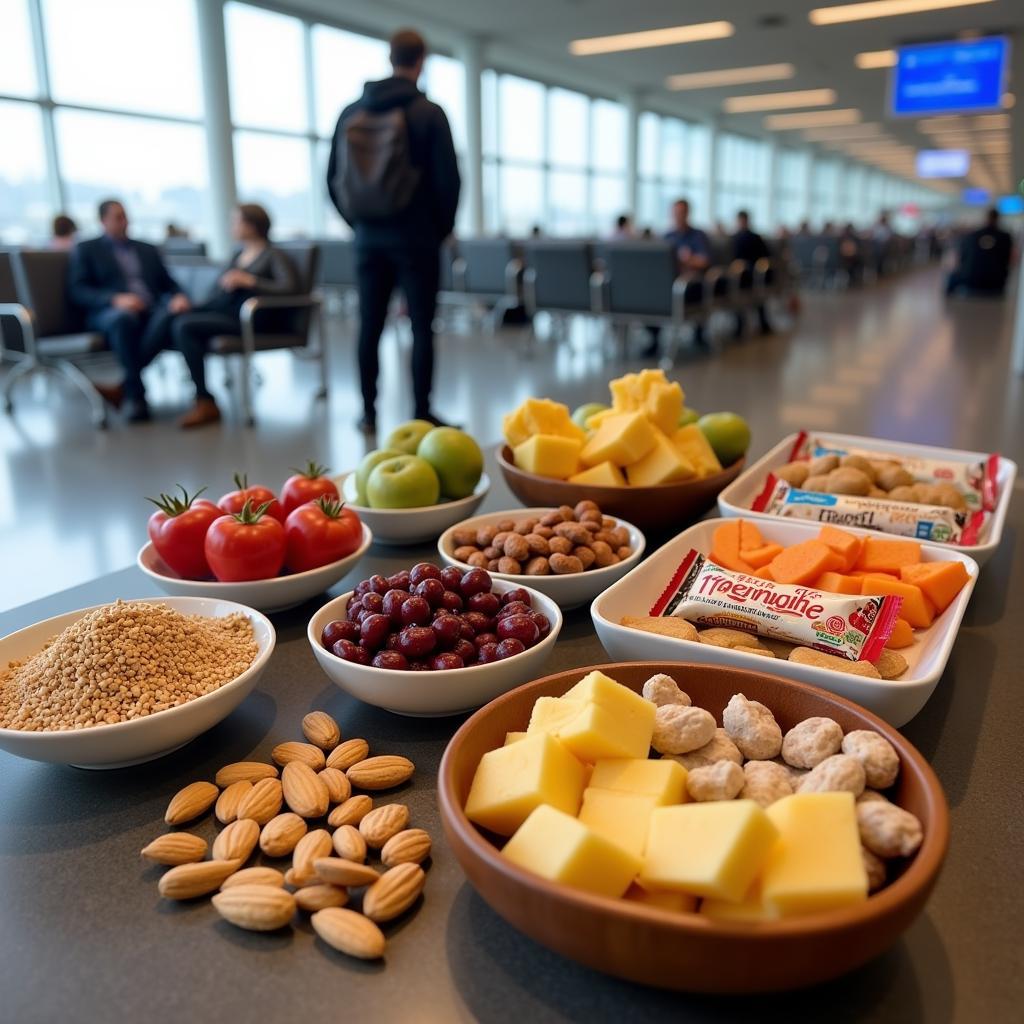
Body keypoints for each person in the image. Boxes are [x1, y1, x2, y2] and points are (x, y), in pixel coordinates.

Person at [327, 27, 461, 433]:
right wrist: (437, 230)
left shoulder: (352, 112)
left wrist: (360, 224)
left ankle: (368, 412)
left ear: (390, 58)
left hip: (367, 237)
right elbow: (449, 182)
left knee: (370, 324)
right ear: (422, 60)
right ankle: (421, 411)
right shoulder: (429, 113)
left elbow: (331, 180)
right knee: (422, 325)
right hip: (417, 237)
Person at [170, 203, 298, 429]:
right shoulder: (238, 253)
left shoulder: (273, 254)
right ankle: (133, 384)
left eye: (236, 221)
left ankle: (203, 399)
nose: (232, 226)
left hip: (251, 318)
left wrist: (251, 281)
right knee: (173, 316)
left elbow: (290, 288)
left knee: (185, 326)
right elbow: (217, 289)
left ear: (252, 225)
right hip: (227, 310)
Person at [67, 199, 190, 422]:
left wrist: (179, 296)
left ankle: (125, 387)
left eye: (126, 215)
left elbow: (169, 283)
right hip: (109, 312)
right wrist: (115, 299)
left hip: (150, 309)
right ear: (103, 221)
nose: (125, 221)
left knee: (172, 314)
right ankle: (137, 397)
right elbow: (78, 290)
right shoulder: (87, 249)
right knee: (123, 320)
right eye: (118, 217)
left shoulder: (147, 249)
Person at [643, 198, 711, 357]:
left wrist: (688, 259)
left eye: (681, 213)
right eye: (675, 213)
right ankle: (654, 339)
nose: (678, 216)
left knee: (685, 288)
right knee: (647, 295)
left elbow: (704, 261)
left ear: (687, 213)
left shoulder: (698, 236)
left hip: (690, 281)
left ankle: (700, 333)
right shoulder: (667, 236)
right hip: (668, 281)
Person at [945, 208, 1013, 297]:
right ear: (998, 219)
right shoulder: (1005, 237)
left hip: (971, 280)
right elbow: (1008, 260)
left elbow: (962, 258)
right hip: (996, 282)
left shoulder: (972, 235)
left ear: (985, 218)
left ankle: (950, 306)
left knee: (951, 277)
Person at [730, 210, 772, 337]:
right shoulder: (734, 238)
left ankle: (760, 324)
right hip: (737, 273)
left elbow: (765, 257)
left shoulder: (755, 238)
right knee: (735, 288)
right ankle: (740, 324)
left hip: (753, 272)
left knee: (750, 291)